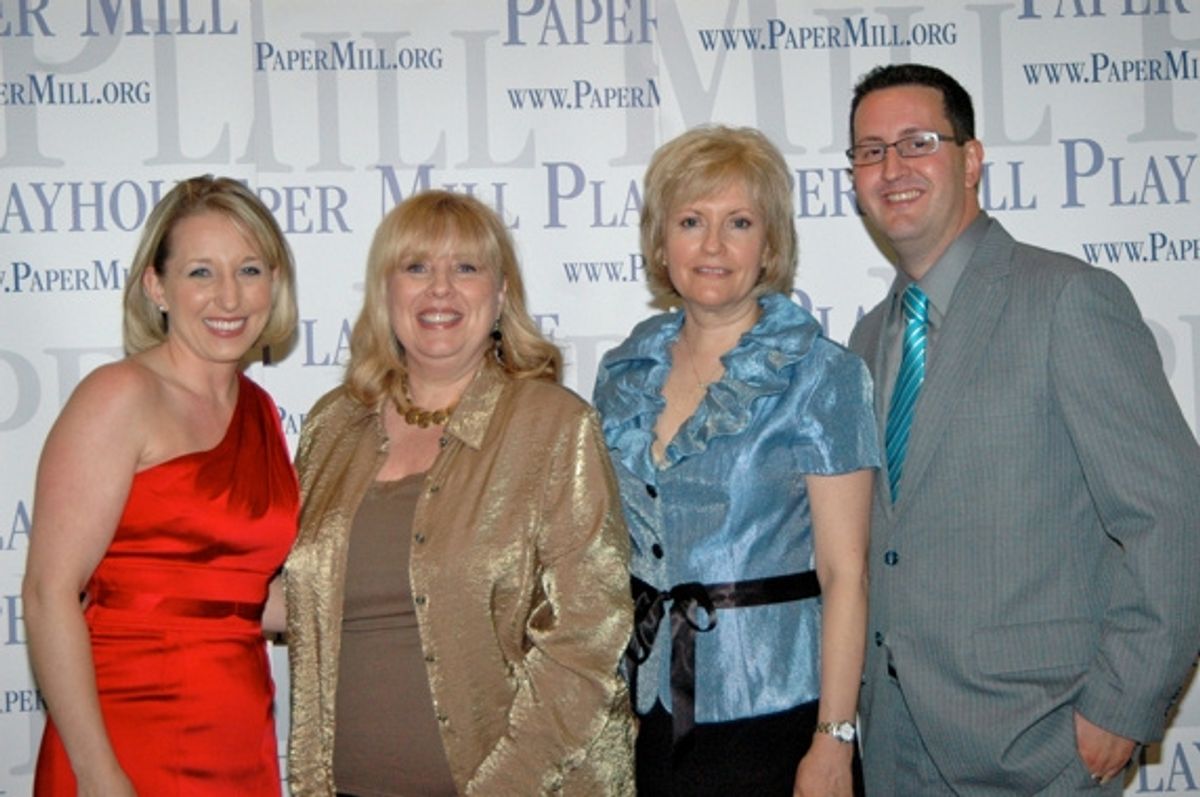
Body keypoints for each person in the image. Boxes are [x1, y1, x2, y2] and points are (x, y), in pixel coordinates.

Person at [845, 62, 1200, 795]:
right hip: (891, 748)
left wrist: (1122, 704)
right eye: (871, 151)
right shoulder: (867, 337)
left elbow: (1173, 516)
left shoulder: (1067, 299)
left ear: (971, 159)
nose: (892, 168)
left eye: (917, 143)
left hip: (1037, 746)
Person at [284, 189, 635, 796]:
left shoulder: (555, 426)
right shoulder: (331, 425)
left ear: (500, 296)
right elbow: (286, 596)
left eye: (466, 268)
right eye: (416, 267)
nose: (440, 289)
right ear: (385, 294)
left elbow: (587, 641)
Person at [593, 125, 879, 796]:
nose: (713, 246)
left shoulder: (822, 375)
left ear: (770, 245)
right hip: (649, 714)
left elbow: (846, 574)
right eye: (691, 221)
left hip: (778, 715)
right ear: (661, 243)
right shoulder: (621, 374)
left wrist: (833, 739)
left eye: (739, 222)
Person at [23, 175, 300, 795]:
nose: (229, 296)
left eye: (249, 270)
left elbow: (244, 594)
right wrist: (97, 774)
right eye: (201, 272)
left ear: (274, 283)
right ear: (157, 286)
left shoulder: (259, 411)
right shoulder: (120, 395)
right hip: (125, 732)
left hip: (237, 733)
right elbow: (47, 593)